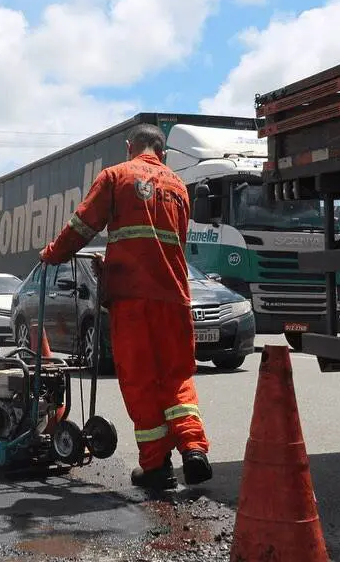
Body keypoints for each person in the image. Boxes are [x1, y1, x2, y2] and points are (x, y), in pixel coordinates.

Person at [39, 123, 212, 490]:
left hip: (133, 302)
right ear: (162, 153)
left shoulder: (116, 176)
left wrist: (53, 254)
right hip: (174, 297)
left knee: (140, 380)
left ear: (130, 146)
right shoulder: (179, 187)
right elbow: (171, 245)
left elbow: (82, 226)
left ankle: (156, 466)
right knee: (177, 376)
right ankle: (194, 449)